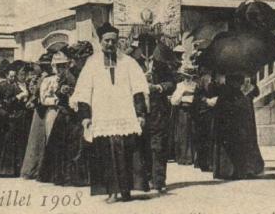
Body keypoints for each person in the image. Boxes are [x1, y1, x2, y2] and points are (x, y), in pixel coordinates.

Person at [70, 22, 150, 202]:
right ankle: (112, 191)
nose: (110, 44)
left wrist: (140, 114)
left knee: (127, 153)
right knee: (105, 155)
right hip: (102, 116)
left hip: (125, 116)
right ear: (100, 42)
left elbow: (138, 89)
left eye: (113, 41)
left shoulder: (129, 63)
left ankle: (126, 190)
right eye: (106, 41)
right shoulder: (91, 64)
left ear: (118, 42)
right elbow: (84, 92)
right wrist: (85, 117)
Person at [38, 52, 89, 186]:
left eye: (83, 59)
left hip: (82, 112)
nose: (81, 61)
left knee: (80, 144)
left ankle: (81, 177)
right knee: (66, 145)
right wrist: (64, 90)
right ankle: (66, 176)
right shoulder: (68, 73)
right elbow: (58, 92)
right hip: (67, 113)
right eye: (79, 59)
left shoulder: (88, 71)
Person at [209, 74, 264, 180]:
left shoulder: (246, 75)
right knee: (231, 138)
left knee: (244, 137)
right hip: (229, 109)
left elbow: (256, 92)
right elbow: (213, 91)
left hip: (242, 110)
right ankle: (231, 170)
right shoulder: (222, 75)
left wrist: (251, 87)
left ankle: (245, 169)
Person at [143, 44, 177, 193]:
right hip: (140, 111)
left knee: (158, 146)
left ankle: (158, 180)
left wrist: (158, 87)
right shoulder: (134, 64)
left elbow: (172, 84)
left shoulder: (163, 67)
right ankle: (146, 178)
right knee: (143, 146)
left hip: (158, 112)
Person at [0, 65, 33, 177]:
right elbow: (0, 101)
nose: (24, 76)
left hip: (22, 116)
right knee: (10, 142)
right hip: (11, 116)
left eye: (25, 74)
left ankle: (18, 169)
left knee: (20, 142)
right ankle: (7, 170)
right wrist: (18, 97)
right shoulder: (8, 86)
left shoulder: (24, 85)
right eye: (21, 74)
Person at [20, 64, 48, 179]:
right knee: (37, 139)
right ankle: (34, 169)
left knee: (38, 139)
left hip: (42, 110)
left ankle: (36, 169)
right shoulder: (38, 78)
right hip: (40, 110)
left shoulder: (42, 78)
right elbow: (35, 93)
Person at [170, 67, 198, 165]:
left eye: (189, 77)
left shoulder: (195, 85)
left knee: (193, 132)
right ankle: (183, 158)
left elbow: (197, 98)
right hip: (183, 111)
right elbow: (174, 101)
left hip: (193, 110)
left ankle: (192, 158)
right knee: (182, 133)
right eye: (185, 76)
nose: (187, 79)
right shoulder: (180, 85)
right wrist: (182, 94)